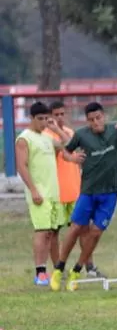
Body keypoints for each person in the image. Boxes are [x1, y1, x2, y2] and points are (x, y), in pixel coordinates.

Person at [53, 102, 117, 291]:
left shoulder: (116, 130)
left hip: (110, 192)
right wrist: (72, 158)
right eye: (91, 120)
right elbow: (65, 152)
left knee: (95, 232)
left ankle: (77, 270)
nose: (95, 123)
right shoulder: (81, 135)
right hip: (88, 191)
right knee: (75, 228)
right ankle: (59, 268)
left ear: (104, 116)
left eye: (98, 118)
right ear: (87, 121)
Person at [16, 102, 74, 286]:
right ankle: (40, 271)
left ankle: (51, 270)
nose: (43, 122)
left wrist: (55, 127)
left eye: (45, 119)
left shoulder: (47, 138)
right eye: (39, 119)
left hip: (53, 193)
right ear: (31, 118)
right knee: (41, 231)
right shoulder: (24, 139)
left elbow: (68, 143)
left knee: (50, 232)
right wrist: (33, 190)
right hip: (39, 193)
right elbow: (21, 166)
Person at [43, 101, 102, 279]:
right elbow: (65, 149)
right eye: (56, 114)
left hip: (75, 190)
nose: (60, 118)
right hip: (56, 191)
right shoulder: (45, 135)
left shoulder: (69, 132)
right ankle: (57, 269)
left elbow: (75, 149)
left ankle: (89, 266)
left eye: (62, 114)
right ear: (49, 117)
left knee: (83, 229)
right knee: (54, 231)